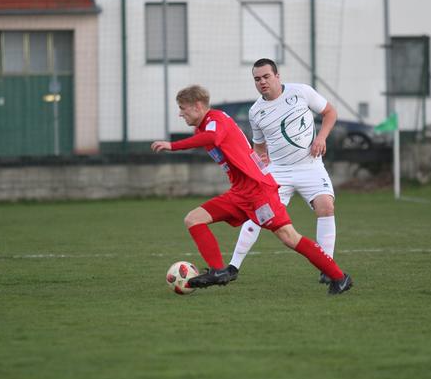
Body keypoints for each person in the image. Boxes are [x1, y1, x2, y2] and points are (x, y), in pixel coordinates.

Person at [151, 84, 353, 295]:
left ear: (197, 106)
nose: (180, 113)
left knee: (289, 237)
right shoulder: (204, 126)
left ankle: (339, 277)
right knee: (193, 219)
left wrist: (172, 145)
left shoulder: (216, 120)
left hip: (258, 193)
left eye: (183, 108)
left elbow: (212, 138)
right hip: (240, 193)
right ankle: (219, 271)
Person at [224, 58, 339, 285]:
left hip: (311, 166)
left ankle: (328, 268)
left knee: (326, 206)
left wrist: (321, 137)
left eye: (266, 77)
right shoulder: (256, 111)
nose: (262, 82)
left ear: (277, 76)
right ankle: (232, 267)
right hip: (279, 172)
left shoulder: (301, 92)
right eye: (257, 79)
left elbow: (330, 112)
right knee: (257, 214)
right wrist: (258, 169)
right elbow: (258, 147)